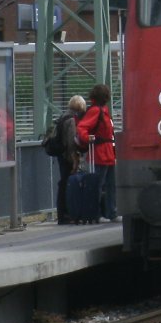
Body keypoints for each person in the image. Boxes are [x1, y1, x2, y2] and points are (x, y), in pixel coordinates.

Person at [77, 83, 117, 221]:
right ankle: (100, 213)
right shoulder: (98, 111)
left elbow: (82, 127)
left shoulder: (101, 110)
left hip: (106, 151)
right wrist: (87, 138)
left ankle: (109, 212)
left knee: (107, 184)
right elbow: (83, 127)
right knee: (99, 185)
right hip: (101, 152)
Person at [55, 95, 86, 224]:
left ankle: (62, 214)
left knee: (63, 183)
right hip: (68, 157)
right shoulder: (72, 120)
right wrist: (75, 160)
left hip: (61, 155)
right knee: (67, 184)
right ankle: (66, 214)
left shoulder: (63, 116)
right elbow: (71, 141)